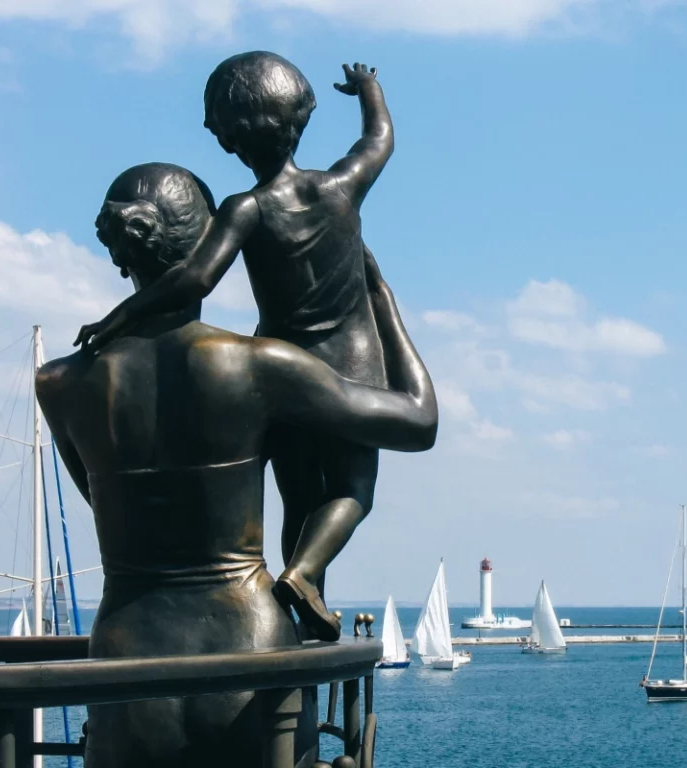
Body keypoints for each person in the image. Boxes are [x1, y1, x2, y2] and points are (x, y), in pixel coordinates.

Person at [38, 163, 436, 768]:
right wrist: (377, 296)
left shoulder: (59, 383)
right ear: (212, 248)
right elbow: (418, 422)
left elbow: (105, 502)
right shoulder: (259, 365)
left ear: (121, 253)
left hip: (122, 663)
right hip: (252, 662)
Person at [74, 52, 398, 641]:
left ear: (229, 139)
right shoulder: (342, 186)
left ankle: (304, 586)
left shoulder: (244, 209)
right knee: (353, 490)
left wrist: (122, 313)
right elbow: (380, 139)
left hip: (280, 363)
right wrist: (369, 89)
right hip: (352, 364)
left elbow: (195, 278)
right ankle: (305, 573)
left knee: (296, 492)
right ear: (300, 117)